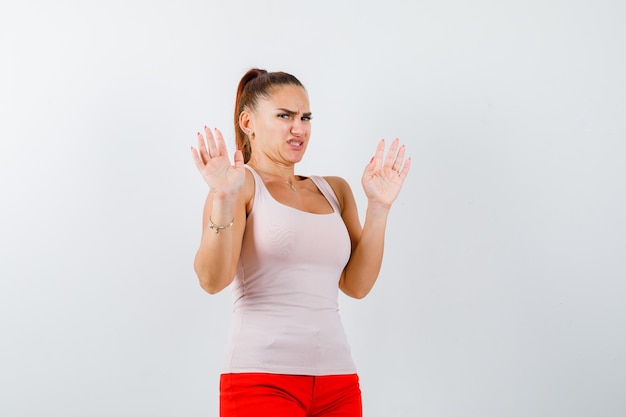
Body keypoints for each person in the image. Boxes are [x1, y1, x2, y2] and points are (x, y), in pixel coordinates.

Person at [190, 68, 410, 417]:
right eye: (285, 116)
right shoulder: (241, 185)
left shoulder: (335, 190)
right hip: (260, 378)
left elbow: (356, 286)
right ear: (248, 123)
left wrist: (379, 208)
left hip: (338, 381)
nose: (300, 128)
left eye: (305, 117)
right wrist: (222, 198)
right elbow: (211, 280)